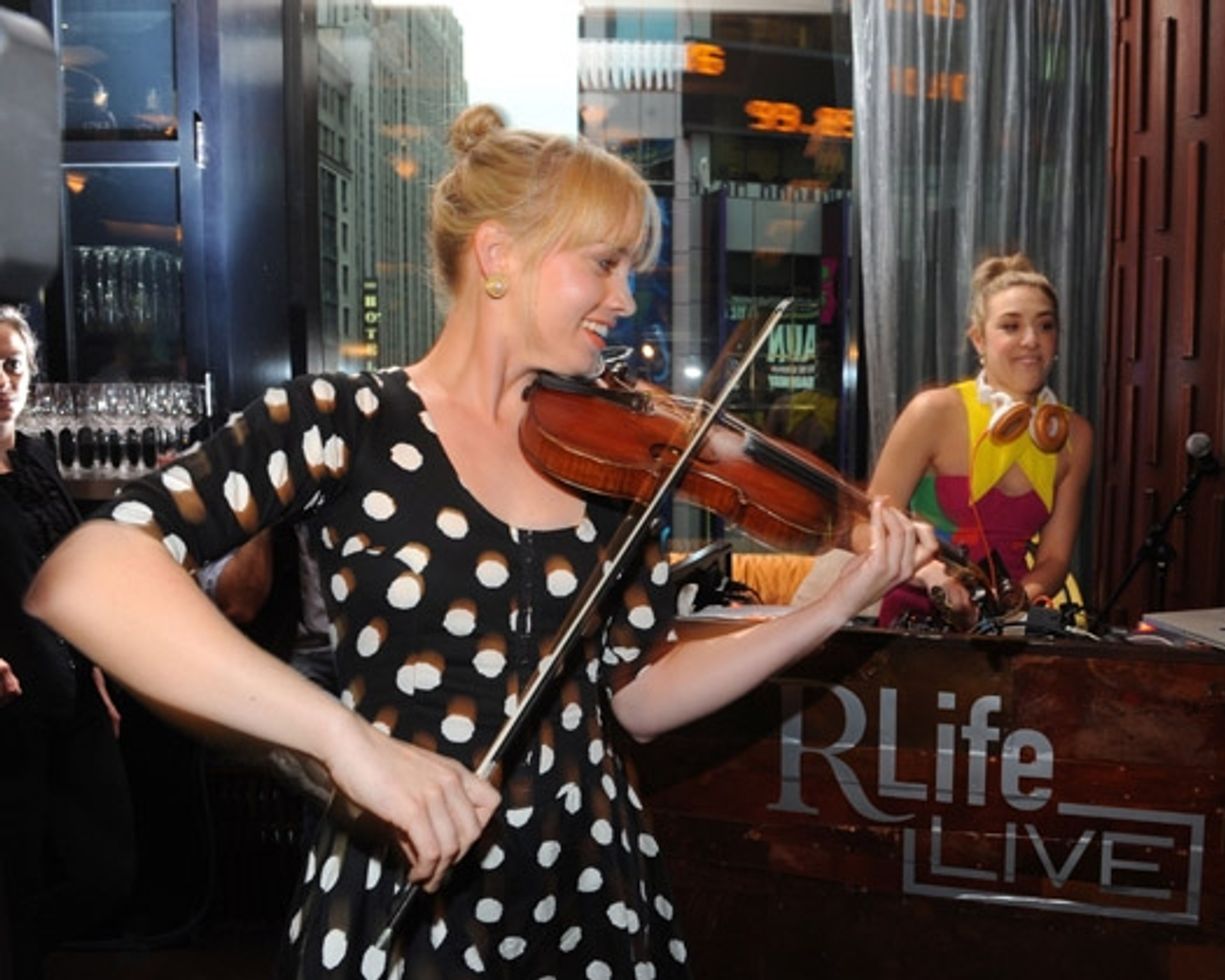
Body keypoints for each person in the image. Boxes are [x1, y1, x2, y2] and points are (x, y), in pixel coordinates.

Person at [24, 106, 936, 978]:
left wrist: (827, 609)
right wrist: (345, 743)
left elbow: (639, 697)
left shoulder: (610, 458)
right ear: (498, 254)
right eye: (605, 264)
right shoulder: (347, 420)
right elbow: (89, 576)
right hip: (408, 886)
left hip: (592, 887)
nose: (625, 298)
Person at [0, 305, 134, 980]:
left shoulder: (37, 454)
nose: (2, 381)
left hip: (71, 688)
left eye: (12, 365)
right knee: (16, 875)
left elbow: (62, 572)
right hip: (9, 705)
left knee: (110, 873)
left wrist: (96, 666)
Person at [859, 253, 1093, 628]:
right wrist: (930, 575)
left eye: (1045, 326)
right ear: (979, 339)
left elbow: (1055, 559)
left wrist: (1013, 605)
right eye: (1011, 326)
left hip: (1007, 625)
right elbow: (864, 527)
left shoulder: (1074, 435)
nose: (1031, 340)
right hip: (917, 613)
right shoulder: (932, 411)